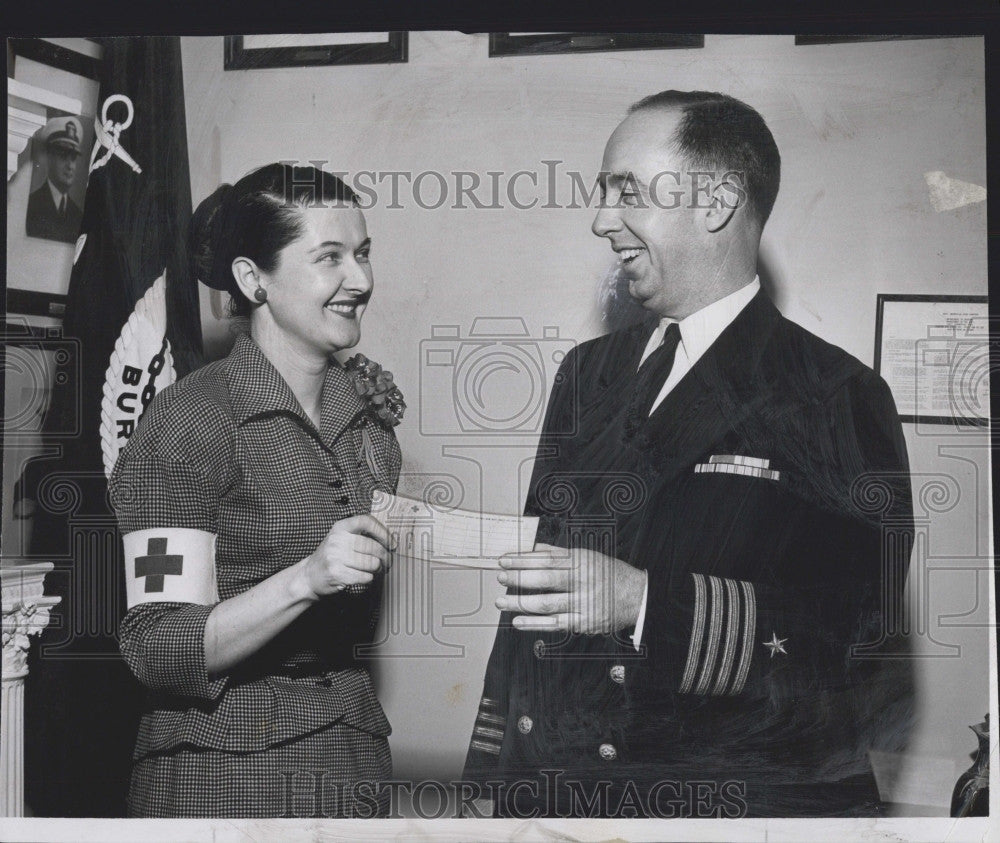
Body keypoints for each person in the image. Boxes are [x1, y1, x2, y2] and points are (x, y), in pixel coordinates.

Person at [464, 91, 914, 818]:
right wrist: (489, 781)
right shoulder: (588, 373)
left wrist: (643, 602)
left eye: (627, 192)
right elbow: (534, 599)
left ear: (718, 201)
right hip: (554, 798)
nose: (600, 219)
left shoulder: (833, 393)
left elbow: (854, 637)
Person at [109, 163, 406, 817]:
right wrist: (306, 578)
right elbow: (156, 644)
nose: (360, 280)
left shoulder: (369, 423)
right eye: (329, 257)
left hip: (353, 767)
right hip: (227, 779)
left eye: (362, 254)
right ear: (252, 279)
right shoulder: (190, 420)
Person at [26, 115, 85, 242]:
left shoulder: (78, 215)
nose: (70, 165)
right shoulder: (31, 206)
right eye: (63, 155)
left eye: (73, 157)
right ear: (49, 156)